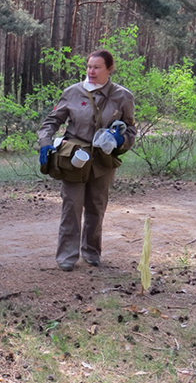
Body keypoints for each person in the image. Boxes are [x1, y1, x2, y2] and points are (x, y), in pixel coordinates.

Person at [37, 49, 136, 271]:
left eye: (97, 67)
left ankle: (91, 252)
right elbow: (51, 122)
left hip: (103, 161)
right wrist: (45, 143)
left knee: (96, 207)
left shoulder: (123, 96)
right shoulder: (72, 92)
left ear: (109, 69)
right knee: (71, 207)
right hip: (74, 159)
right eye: (89, 67)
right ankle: (67, 256)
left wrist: (120, 139)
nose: (91, 71)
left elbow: (131, 130)